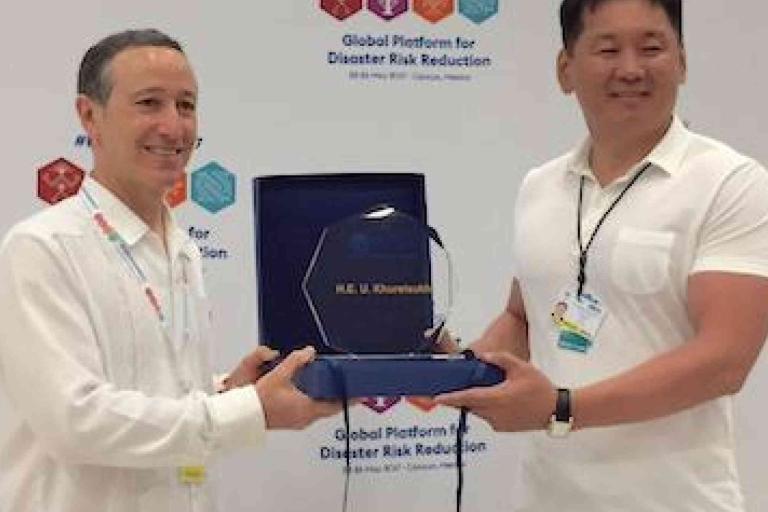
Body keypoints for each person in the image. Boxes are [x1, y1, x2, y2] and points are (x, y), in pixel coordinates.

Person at [435, 1, 768, 510]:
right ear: (565, 70)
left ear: (681, 61)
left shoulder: (731, 183)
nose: (631, 69)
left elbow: (724, 360)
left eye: (652, 48)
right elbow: (523, 318)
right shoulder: (540, 186)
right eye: (608, 49)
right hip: (548, 497)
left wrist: (561, 408)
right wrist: (458, 367)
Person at [0, 29, 339, 512]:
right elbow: (75, 421)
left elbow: (156, 391)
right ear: (89, 116)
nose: (174, 127)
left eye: (185, 105)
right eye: (149, 103)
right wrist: (248, 410)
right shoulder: (43, 248)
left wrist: (226, 391)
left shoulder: (181, 247)